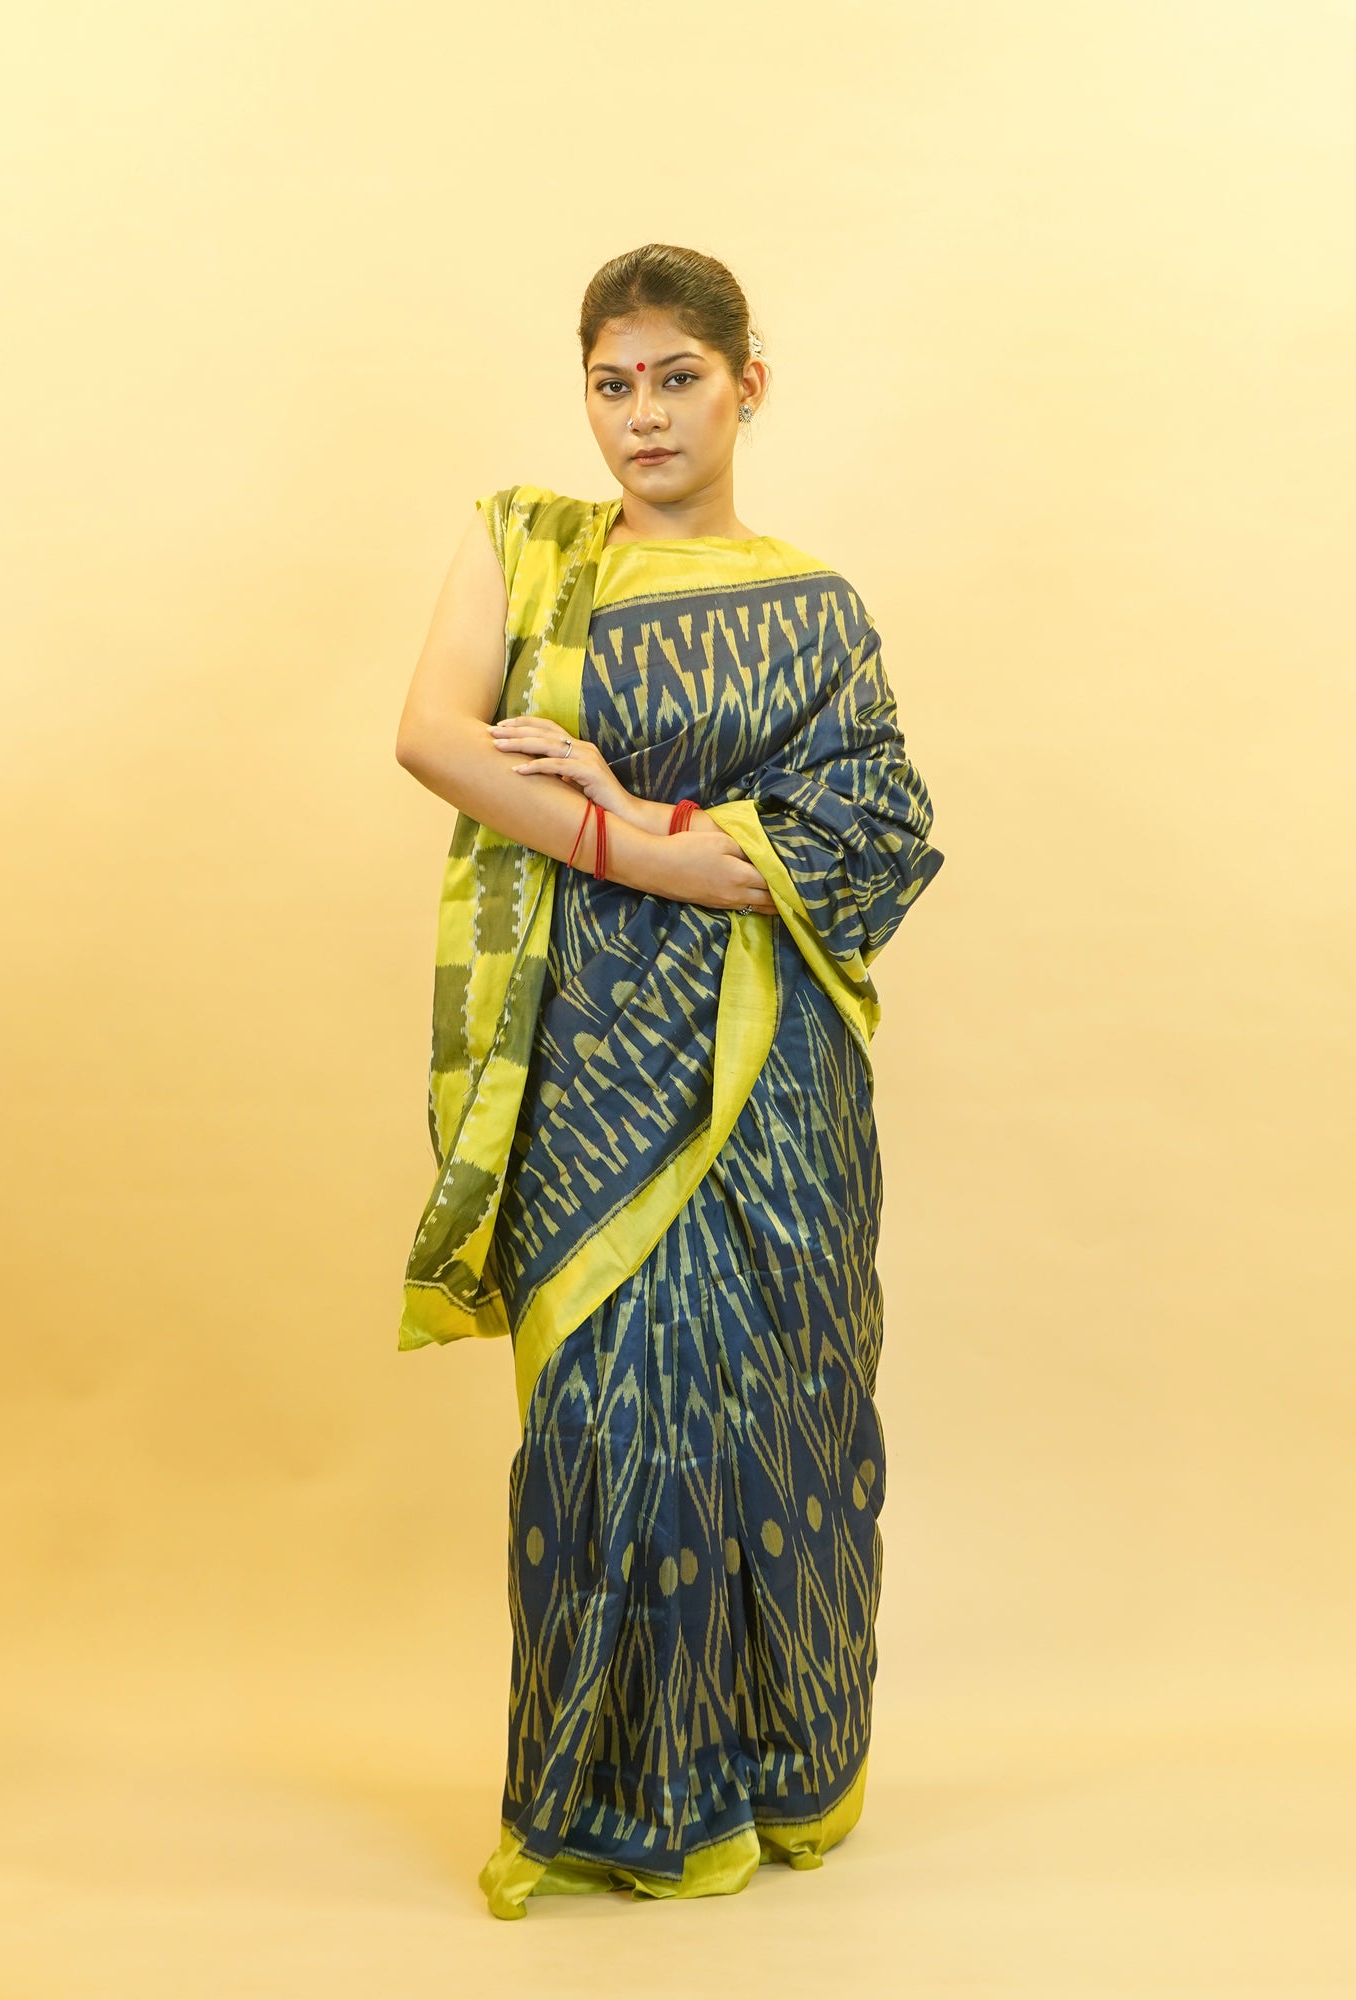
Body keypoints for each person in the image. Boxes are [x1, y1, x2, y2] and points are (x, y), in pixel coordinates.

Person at [393, 241, 945, 1919]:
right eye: (611, 383)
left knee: (771, 1416)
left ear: (746, 385)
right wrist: (653, 846)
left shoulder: (820, 610)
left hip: (772, 1089)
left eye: (678, 378)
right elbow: (432, 738)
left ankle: (772, 1773)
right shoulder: (524, 547)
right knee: (605, 1423)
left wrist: (623, 813)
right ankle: (604, 1795)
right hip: (585, 1064)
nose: (642, 415)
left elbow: (870, 839)